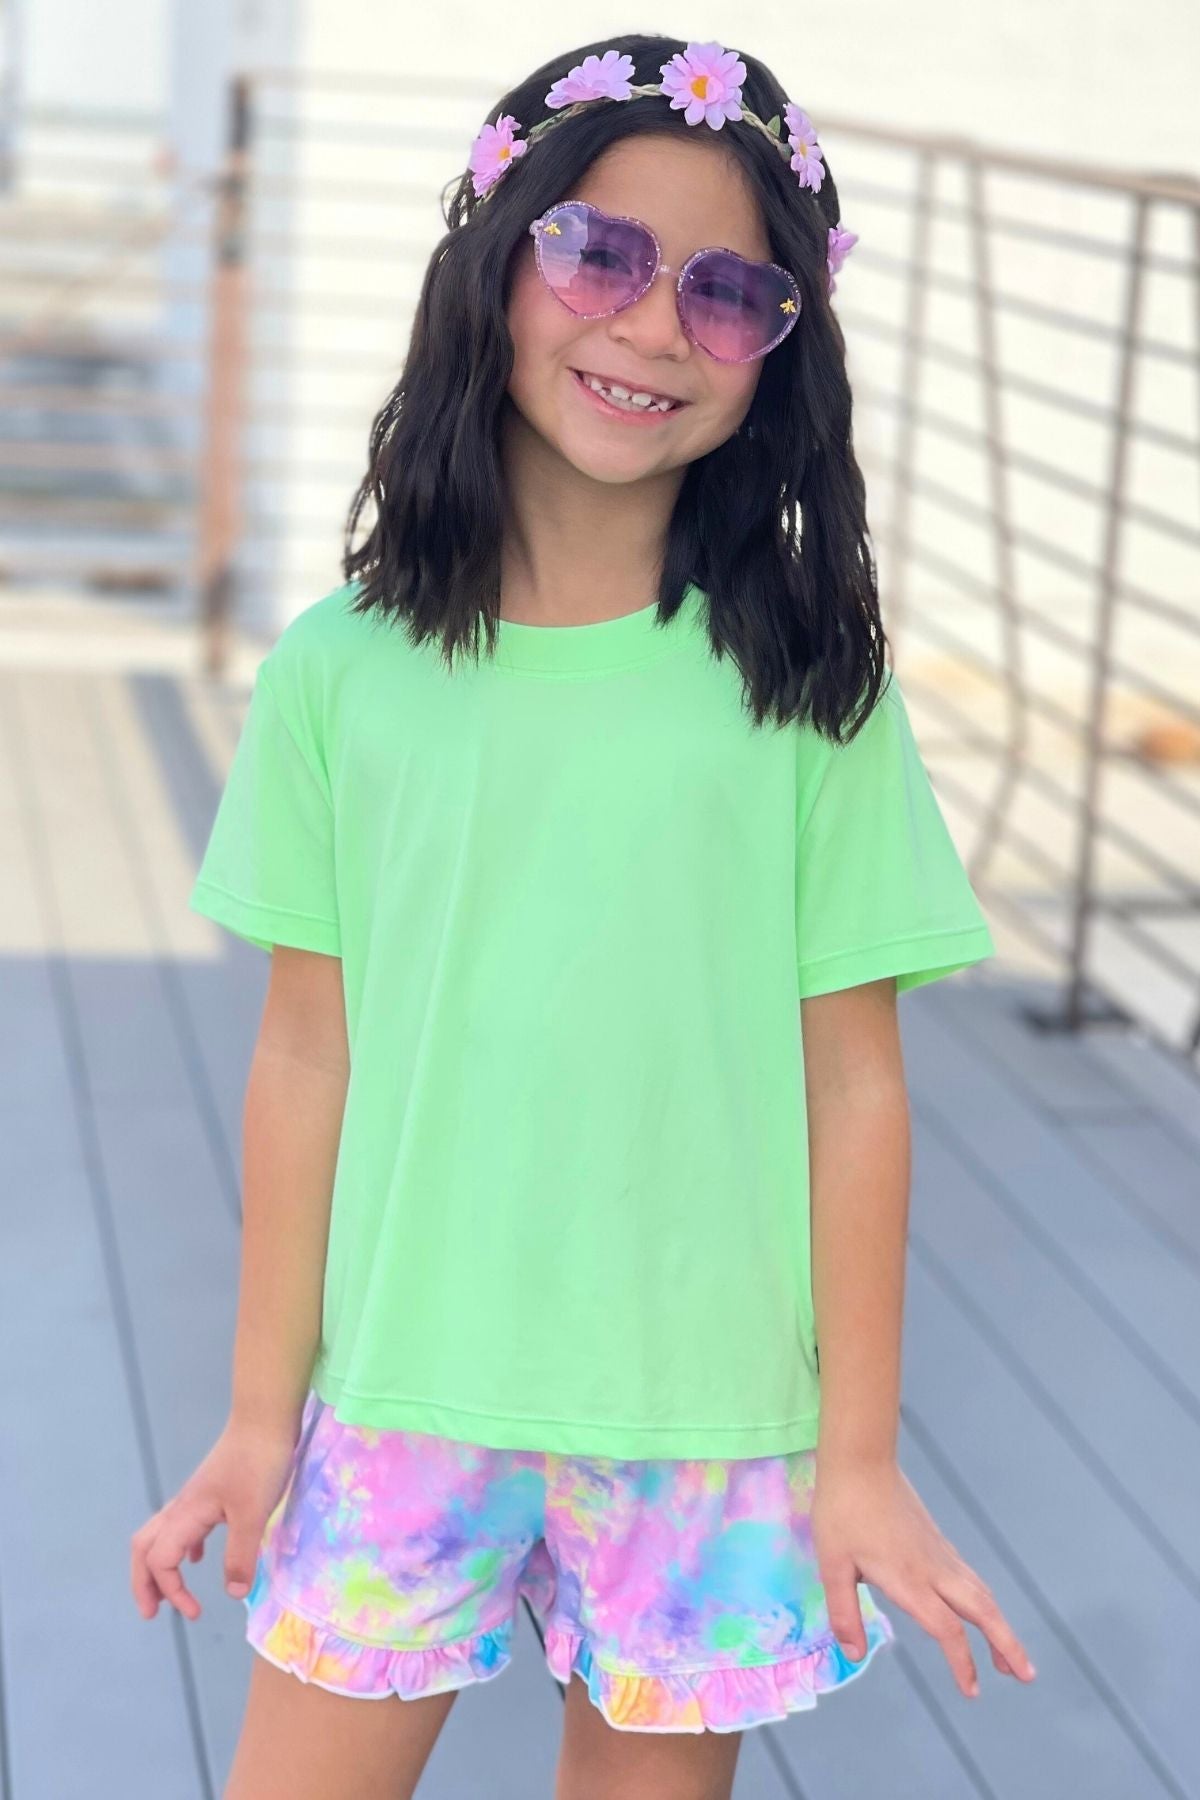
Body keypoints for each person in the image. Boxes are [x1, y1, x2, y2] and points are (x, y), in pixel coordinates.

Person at [130, 33, 1037, 1800]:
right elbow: (305, 1059)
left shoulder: (806, 690)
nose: (650, 327)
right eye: (599, 254)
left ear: (778, 355)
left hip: (707, 1435)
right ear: (496, 260)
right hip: (402, 1407)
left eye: (727, 293)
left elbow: (855, 1087)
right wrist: (256, 1420)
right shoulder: (339, 676)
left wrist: (856, 1460)